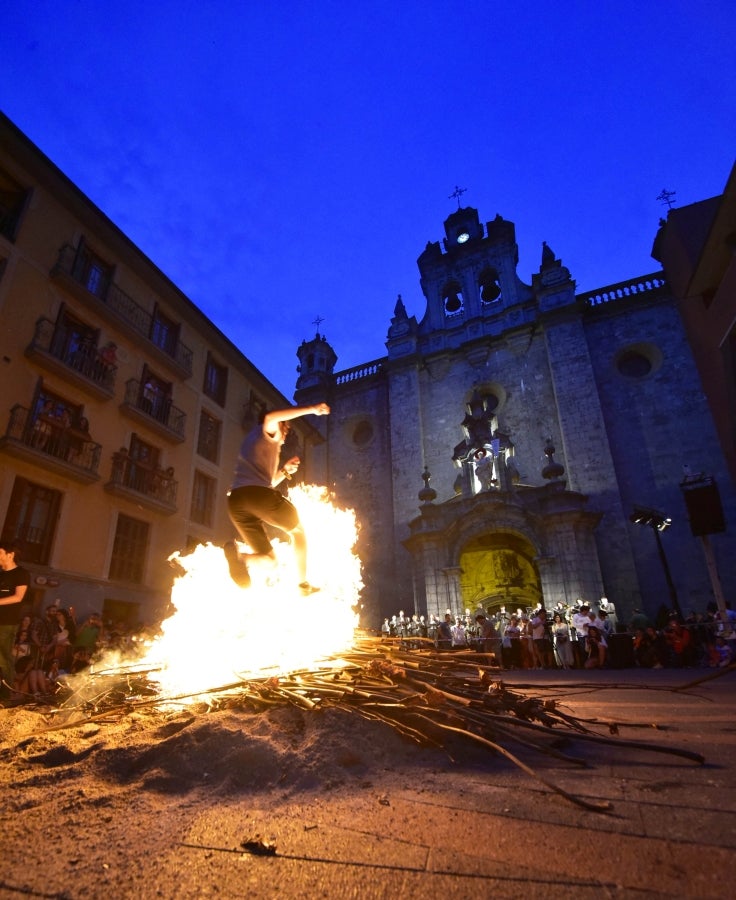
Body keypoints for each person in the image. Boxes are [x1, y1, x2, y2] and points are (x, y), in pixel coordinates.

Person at [225, 402, 330, 595]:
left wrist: (284, 471)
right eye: (286, 427)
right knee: (298, 531)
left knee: (270, 561)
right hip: (256, 495)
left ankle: (241, 559)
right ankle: (303, 585)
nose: (286, 432)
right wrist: (312, 409)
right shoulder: (267, 430)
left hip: (237, 502)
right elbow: (271, 418)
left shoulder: (253, 440)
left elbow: (266, 482)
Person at [0, 541, 30, 693]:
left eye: (0, 553)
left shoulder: (21, 574)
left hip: (6, 623)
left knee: (3, 659)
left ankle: (6, 696)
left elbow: (18, 597)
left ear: (10, 555)